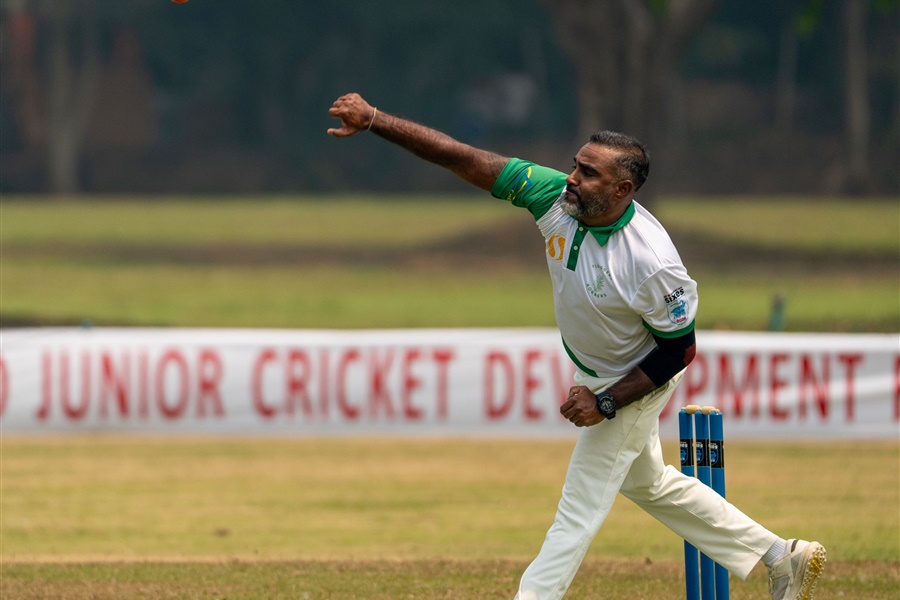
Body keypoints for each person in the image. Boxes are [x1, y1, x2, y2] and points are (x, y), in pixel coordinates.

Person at [327, 92, 826, 600]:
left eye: (589, 174)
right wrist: (374, 120)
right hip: (596, 371)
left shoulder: (651, 263)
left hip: (635, 379)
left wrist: (606, 401)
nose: (572, 178)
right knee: (647, 483)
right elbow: (463, 156)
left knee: (577, 510)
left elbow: (679, 351)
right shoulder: (553, 199)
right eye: (576, 165)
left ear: (622, 188)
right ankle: (780, 556)